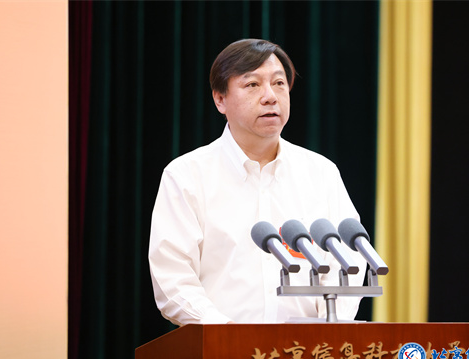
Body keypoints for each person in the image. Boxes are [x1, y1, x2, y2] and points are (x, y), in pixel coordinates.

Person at [148, 39, 365, 326]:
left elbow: (347, 260)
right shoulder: (187, 175)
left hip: (307, 350)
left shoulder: (321, 173)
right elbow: (173, 279)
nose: (270, 97)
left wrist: (328, 327)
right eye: (252, 85)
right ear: (220, 99)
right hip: (221, 348)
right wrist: (228, 336)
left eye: (279, 83)